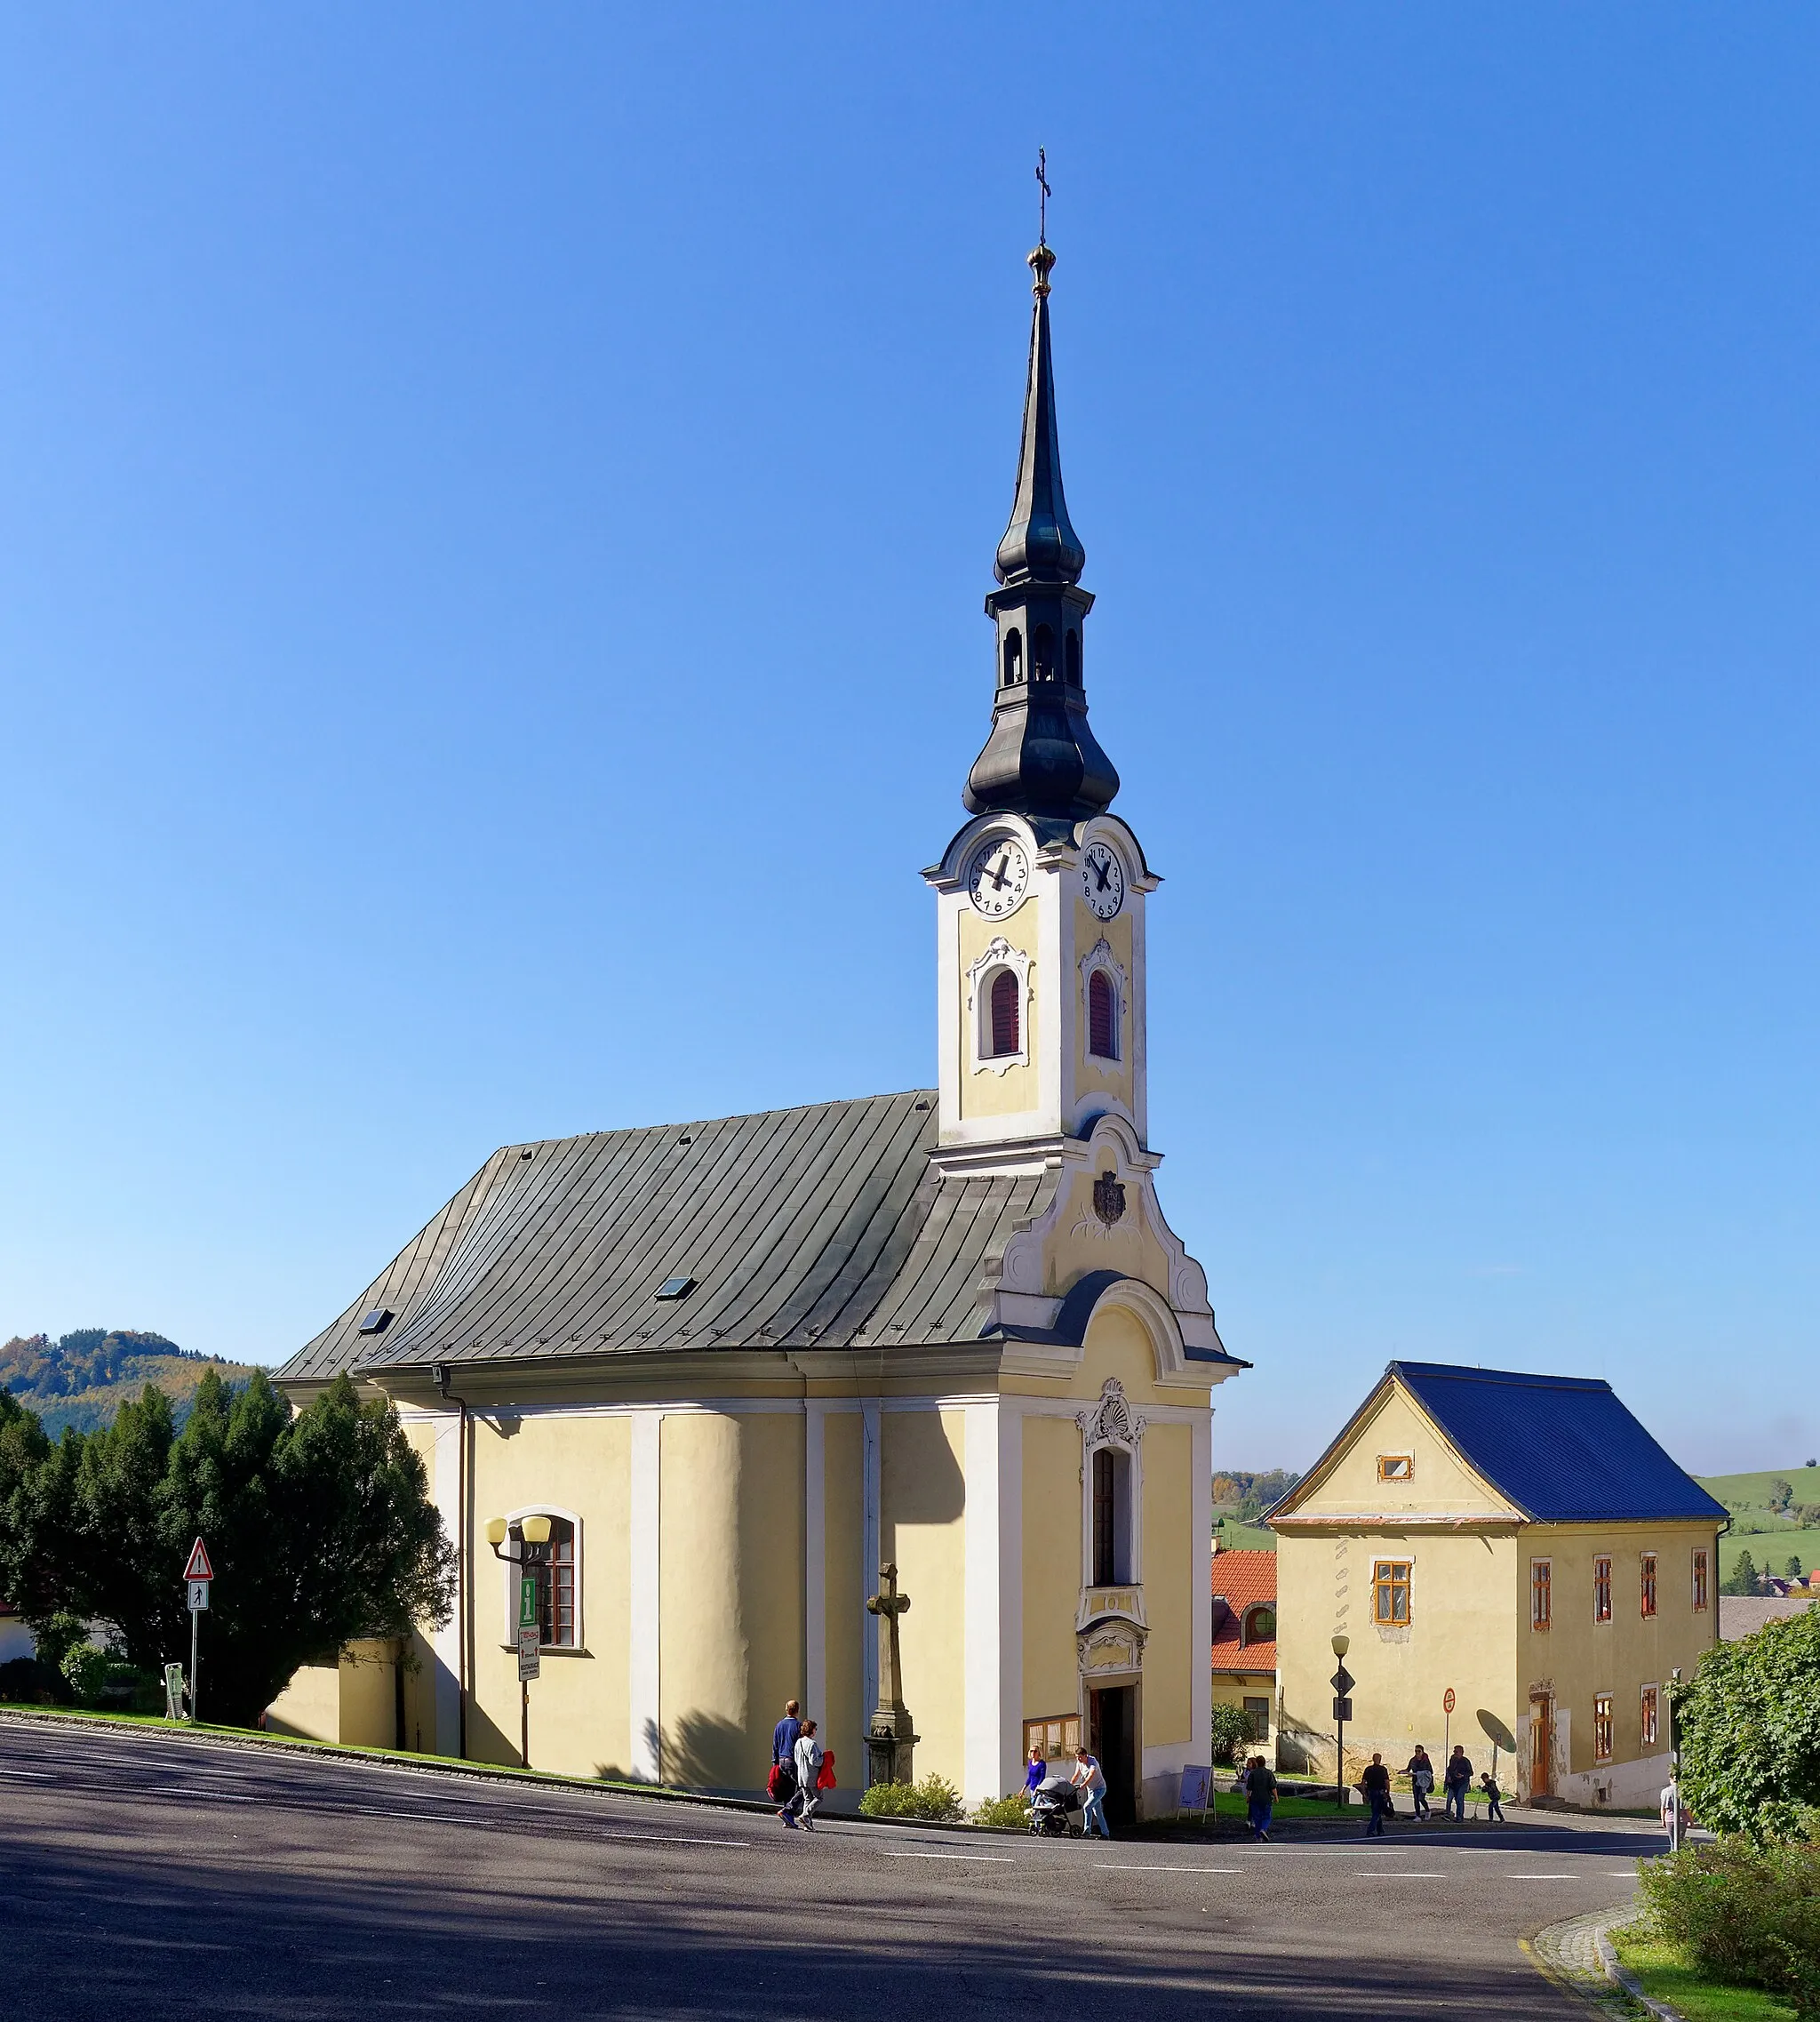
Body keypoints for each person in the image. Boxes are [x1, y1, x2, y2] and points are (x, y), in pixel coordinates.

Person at [788, 1719, 825, 1831]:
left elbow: (796, 1759)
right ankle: (806, 1815)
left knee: (807, 1799)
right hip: (811, 1775)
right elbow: (815, 1761)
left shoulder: (798, 1743)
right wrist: (823, 1758)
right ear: (811, 1730)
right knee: (819, 1797)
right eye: (815, 1729)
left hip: (801, 1775)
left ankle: (807, 1825)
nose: (816, 1731)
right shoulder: (812, 1744)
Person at [772, 1698, 803, 1826]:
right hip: (792, 1760)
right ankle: (788, 1810)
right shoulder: (798, 1726)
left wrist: (775, 1763)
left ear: (786, 1710)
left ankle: (788, 1819)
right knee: (804, 1788)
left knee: (788, 1790)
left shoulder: (779, 1725)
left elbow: (775, 1744)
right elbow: (801, 1746)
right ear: (797, 1711)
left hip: (781, 1759)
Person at [1072, 1745, 1110, 1839]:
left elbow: (1091, 1775)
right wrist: (1070, 1785)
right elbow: (1076, 1775)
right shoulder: (1079, 1763)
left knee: (1087, 1807)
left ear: (1085, 1755)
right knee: (1098, 1812)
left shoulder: (1093, 1762)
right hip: (1091, 1790)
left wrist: (1084, 1784)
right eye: (1077, 1757)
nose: (1079, 1759)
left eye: (1080, 1757)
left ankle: (1087, 1831)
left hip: (1100, 1789)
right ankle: (1106, 1833)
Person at [1243, 1754, 1278, 1842]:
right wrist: (1276, 1797)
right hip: (1266, 1798)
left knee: (1257, 1817)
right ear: (1265, 1763)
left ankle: (1258, 1836)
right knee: (1267, 1816)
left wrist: (1247, 1797)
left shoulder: (1253, 1773)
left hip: (1255, 1798)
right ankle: (1263, 1829)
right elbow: (1273, 1787)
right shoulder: (1269, 1773)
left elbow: (1249, 1787)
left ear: (1257, 1763)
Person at [1361, 1753, 1392, 1836]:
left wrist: (1364, 1793)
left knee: (1376, 1810)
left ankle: (1380, 1830)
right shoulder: (1383, 1769)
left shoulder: (1368, 1769)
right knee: (1377, 1812)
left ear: (1373, 1759)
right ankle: (1370, 1830)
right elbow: (1386, 1782)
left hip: (1371, 1792)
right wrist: (1388, 1792)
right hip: (1380, 1793)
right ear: (1380, 1759)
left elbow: (1363, 1782)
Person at [1443, 1744, 1474, 1823]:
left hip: (1463, 1783)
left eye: (1456, 1752)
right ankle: (1448, 1814)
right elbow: (1450, 1768)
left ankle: (1459, 1817)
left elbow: (1471, 1772)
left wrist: (1463, 1775)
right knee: (1451, 1799)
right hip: (1453, 1782)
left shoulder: (1465, 1761)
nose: (1455, 1753)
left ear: (1461, 1752)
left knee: (1459, 1799)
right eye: (1454, 1751)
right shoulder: (1452, 1759)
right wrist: (1449, 1777)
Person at [1405, 1745, 1433, 1821]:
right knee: (1416, 1799)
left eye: (1419, 1751)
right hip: (1415, 1781)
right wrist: (1403, 1772)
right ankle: (1417, 1816)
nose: (1417, 1753)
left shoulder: (1426, 1760)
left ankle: (1427, 1811)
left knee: (1421, 1798)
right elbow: (1408, 1769)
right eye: (1416, 1751)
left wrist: (1418, 1773)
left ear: (1422, 1752)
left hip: (1424, 1783)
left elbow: (1430, 1772)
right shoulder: (1413, 1760)